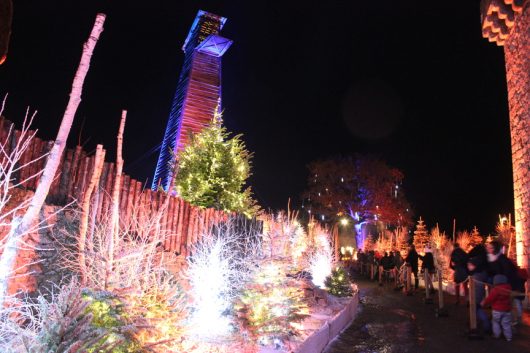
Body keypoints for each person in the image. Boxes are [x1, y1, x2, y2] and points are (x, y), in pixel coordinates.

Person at [486, 240, 524, 325]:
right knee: (504, 301)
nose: (488, 249)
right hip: (501, 283)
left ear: (495, 249)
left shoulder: (502, 259)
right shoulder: (490, 258)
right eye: (487, 247)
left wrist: (503, 283)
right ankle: (504, 319)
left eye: (490, 247)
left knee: (515, 301)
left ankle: (517, 319)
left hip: (511, 283)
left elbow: (507, 272)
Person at [467, 244, 491, 334]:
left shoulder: (477, 259)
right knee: (476, 303)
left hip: (477, 280)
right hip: (483, 278)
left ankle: (486, 325)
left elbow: (471, 267)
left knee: (475, 304)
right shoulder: (486, 257)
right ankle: (475, 321)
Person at [481, 274, 512, 341]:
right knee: (506, 324)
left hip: (497, 310)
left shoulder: (496, 289)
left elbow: (490, 299)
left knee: (496, 322)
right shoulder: (509, 288)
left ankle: (496, 335)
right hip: (507, 310)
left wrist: (484, 304)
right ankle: (508, 337)